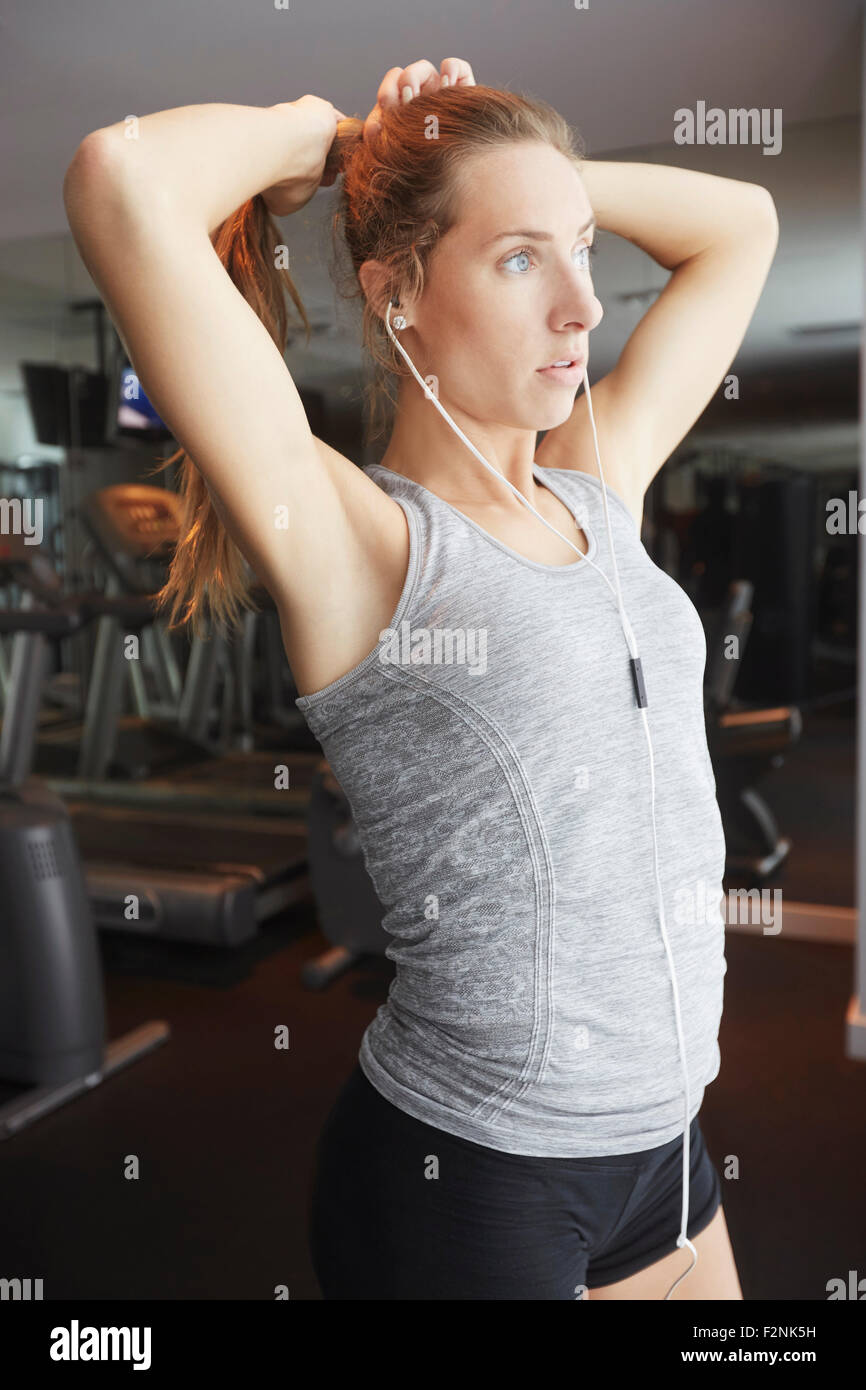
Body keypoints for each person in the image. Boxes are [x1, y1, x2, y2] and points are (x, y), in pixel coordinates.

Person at [63, 55, 778, 1299]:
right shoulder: (363, 541)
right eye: (516, 260)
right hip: (475, 1179)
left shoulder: (595, 486)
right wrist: (337, 144)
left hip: (664, 1152)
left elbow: (743, 226)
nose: (581, 306)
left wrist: (504, 176)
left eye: (582, 252)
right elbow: (120, 179)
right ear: (395, 296)